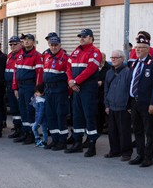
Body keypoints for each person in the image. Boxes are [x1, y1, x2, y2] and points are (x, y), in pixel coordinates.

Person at [65, 28, 102, 157]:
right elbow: (68, 67)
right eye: (80, 36)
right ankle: (77, 143)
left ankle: (92, 145)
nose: (81, 38)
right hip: (76, 89)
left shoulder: (95, 52)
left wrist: (75, 82)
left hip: (87, 90)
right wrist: (71, 81)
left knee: (89, 116)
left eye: (84, 37)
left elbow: (90, 70)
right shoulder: (75, 51)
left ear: (91, 38)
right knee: (77, 116)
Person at [128, 36, 153, 167]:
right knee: (137, 131)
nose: (138, 50)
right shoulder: (134, 64)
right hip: (134, 102)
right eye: (137, 48)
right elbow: (131, 84)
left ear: (148, 49)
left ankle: (148, 157)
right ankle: (140, 155)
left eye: (141, 48)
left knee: (149, 132)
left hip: (147, 104)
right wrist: (129, 103)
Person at [12, 34, 43, 145]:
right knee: (23, 110)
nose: (26, 41)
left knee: (30, 111)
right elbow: (15, 73)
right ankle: (25, 133)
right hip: (21, 87)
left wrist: (37, 90)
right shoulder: (19, 55)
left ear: (33, 42)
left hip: (30, 87)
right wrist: (15, 88)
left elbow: (39, 74)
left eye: (29, 39)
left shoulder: (37, 56)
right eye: (25, 40)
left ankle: (32, 134)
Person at [104, 50, 132, 161]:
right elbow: (106, 90)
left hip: (123, 107)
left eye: (116, 57)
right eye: (112, 57)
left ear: (122, 59)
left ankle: (126, 153)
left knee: (124, 131)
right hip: (111, 107)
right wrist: (106, 105)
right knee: (112, 131)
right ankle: (114, 150)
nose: (113, 59)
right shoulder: (109, 73)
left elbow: (130, 90)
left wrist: (129, 106)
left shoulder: (128, 72)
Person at [43, 36, 69, 151]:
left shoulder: (65, 58)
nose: (53, 47)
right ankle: (54, 139)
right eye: (51, 45)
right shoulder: (47, 56)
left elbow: (68, 75)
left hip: (59, 91)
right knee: (51, 116)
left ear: (60, 45)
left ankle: (62, 140)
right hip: (48, 91)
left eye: (55, 45)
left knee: (60, 115)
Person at [5, 36, 22, 138]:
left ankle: (23, 130)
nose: (12, 46)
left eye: (15, 44)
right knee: (14, 109)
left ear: (20, 44)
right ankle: (17, 128)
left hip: (18, 86)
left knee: (21, 108)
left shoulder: (22, 55)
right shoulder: (10, 55)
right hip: (9, 86)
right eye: (10, 44)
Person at [31, 83, 48, 148]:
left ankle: (41, 140)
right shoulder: (38, 99)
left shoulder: (41, 101)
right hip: (39, 118)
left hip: (41, 119)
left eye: (37, 92)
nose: (36, 93)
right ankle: (42, 140)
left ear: (42, 93)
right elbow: (35, 106)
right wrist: (33, 99)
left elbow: (41, 111)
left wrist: (38, 120)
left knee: (36, 128)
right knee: (44, 130)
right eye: (36, 92)